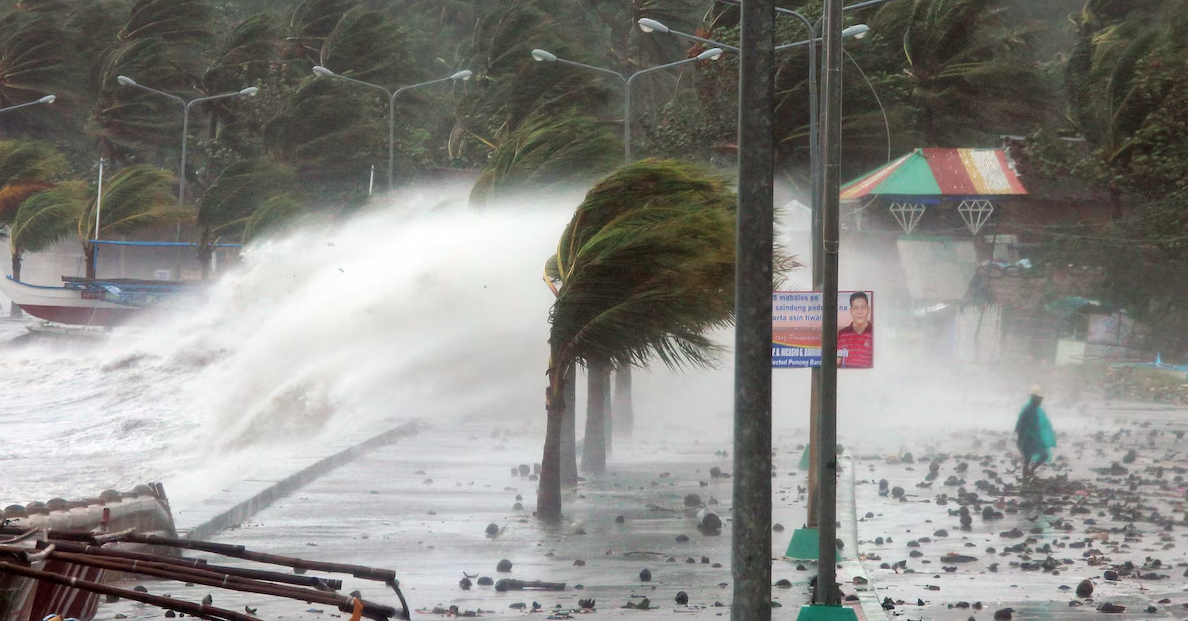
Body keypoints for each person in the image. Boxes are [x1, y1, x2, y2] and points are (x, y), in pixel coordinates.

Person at [1015, 386, 1056, 480]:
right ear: (1034, 399)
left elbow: (1039, 425)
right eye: (1039, 399)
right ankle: (1025, 480)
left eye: (1041, 399)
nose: (1040, 401)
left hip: (1035, 438)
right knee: (1027, 460)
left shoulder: (1036, 410)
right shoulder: (1028, 410)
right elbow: (1020, 426)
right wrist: (1021, 439)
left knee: (1043, 455)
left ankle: (1031, 471)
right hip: (1027, 438)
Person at [837, 291, 873, 368]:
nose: (860, 312)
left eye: (863, 307)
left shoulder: (875, 333)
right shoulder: (842, 334)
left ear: (868, 309)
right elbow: (837, 362)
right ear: (851, 311)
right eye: (855, 308)